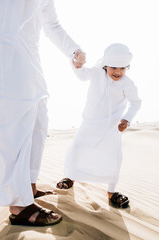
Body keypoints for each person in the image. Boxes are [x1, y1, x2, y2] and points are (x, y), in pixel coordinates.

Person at [0, 0, 86, 226]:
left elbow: (52, 24)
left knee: (39, 119)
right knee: (18, 122)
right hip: (4, 50)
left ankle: (28, 187)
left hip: (29, 54)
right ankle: (19, 206)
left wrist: (73, 50)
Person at [56, 43, 141, 208]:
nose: (118, 72)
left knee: (113, 158)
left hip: (111, 127)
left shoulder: (127, 84)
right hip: (89, 123)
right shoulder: (96, 73)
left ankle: (111, 192)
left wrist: (127, 119)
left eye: (123, 68)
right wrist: (77, 66)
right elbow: (82, 75)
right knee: (77, 149)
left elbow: (136, 102)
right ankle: (70, 177)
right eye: (114, 68)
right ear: (105, 65)